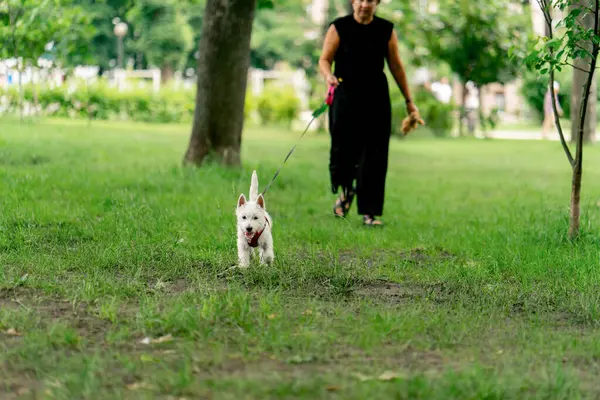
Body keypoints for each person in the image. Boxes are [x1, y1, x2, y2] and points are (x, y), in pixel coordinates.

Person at [318, 0, 421, 227]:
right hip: (345, 96)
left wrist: (409, 101)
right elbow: (325, 59)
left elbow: (396, 66)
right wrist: (328, 76)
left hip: (376, 98)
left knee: (374, 154)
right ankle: (345, 194)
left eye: (370, 0)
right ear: (353, 2)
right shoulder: (338, 27)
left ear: (377, 3)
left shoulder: (386, 29)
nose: (365, 4)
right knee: (343, 151)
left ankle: (370, 213)